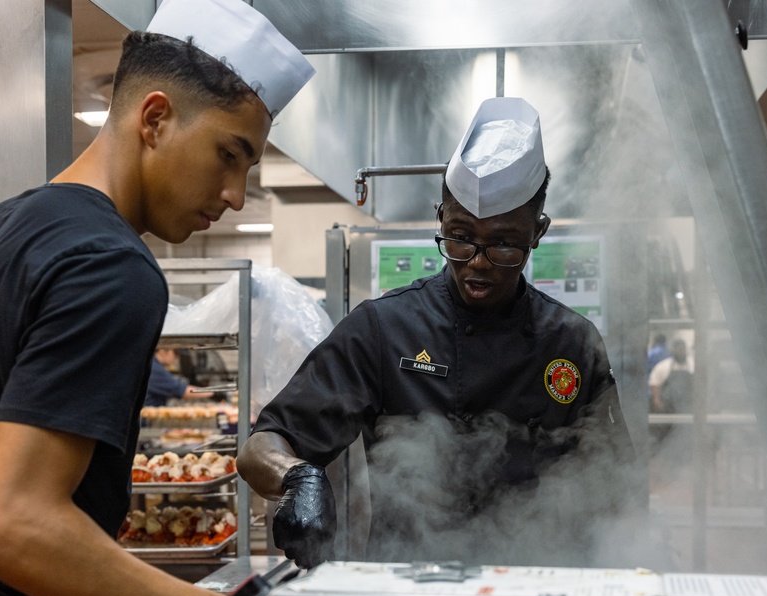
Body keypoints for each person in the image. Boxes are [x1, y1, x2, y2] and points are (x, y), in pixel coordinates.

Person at [0, 0, 313, 596]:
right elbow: (13, 524)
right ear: (156, 118)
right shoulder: (111, 265)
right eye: (230, 154)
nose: (236, 193)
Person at [238, 97, 638, 569]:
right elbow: (260, 446)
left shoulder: (573, 342)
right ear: (441, 218)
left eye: (505, 244)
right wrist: (297, 478)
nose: (478, 262)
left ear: (538, 231)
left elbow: (619, 486)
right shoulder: (383, 329)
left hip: (539, 588)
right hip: (409, 590)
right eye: (460, 236)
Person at [144, 347, 213, 407]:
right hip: (145, 417)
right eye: (176, 353)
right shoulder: (154, 369)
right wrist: (212, 392)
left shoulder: (153, 364)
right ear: (162, 351)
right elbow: (180, 390)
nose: (178, 357)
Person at [649, 338, 694, 413]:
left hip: (688, 406)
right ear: (673, 350)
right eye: (678, 349)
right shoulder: (663, 365)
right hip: (669, 407)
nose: (680, 352)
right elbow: (654, 383)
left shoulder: (693, 364)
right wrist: (656, 400)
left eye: (682, 349)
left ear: (685, 350)